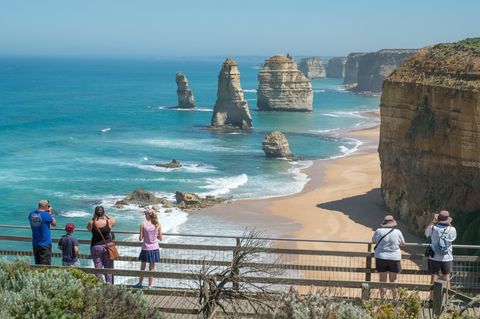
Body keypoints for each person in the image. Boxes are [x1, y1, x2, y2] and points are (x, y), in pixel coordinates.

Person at [372, 215, 405, 299]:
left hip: (381, 257)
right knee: (393, 280)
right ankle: (395, 300)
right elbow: (403, 243)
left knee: (382, 280)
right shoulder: (398, 232)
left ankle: (383, 300)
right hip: (394, 257)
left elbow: (373, 240)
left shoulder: (379, 231)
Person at [425, 210, 457, 288]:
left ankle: (432, 298)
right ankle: (447, 298)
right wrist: (450, 225)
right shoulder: (452, 229)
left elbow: (426, 233)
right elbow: (453, 237)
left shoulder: (433, 228)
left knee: (434, 277)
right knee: (447, 278)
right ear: (447, 220)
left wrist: (432, 223)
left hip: (434, 257)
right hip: (447, 257)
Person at [134, 207, 163, 288]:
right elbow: (160, 238)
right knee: (151, 268)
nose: (144, 216)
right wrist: (154, 236)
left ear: (148, 215)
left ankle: (140, 283)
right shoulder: (158, 225)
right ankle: (150, 285)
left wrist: (143, 234)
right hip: (154, 248)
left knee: (142, 267)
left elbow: (140, 238)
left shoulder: (143, 225)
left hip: (145, 248)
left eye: (145, 214)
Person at [87, 206, 116, 283]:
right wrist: (106, 215)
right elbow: (114, 221)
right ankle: (109, 285)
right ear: (103, 213)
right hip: (108, 246)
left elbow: (88, 228)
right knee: (108, 267)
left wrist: (93, 218)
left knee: (98, 266)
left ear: (95, 213)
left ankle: (100, 284)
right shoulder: (108, 222)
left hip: (96, 246)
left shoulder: (92, 223)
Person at [29, 200, 57, 265]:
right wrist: (50, 213)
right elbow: (54, 224)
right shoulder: (46, 215)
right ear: (44, 206)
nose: (48, 207)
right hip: (45, 244)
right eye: (48, 206)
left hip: (35, 243)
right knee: (45, 266)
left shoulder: (32, 214)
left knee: (37, 264)